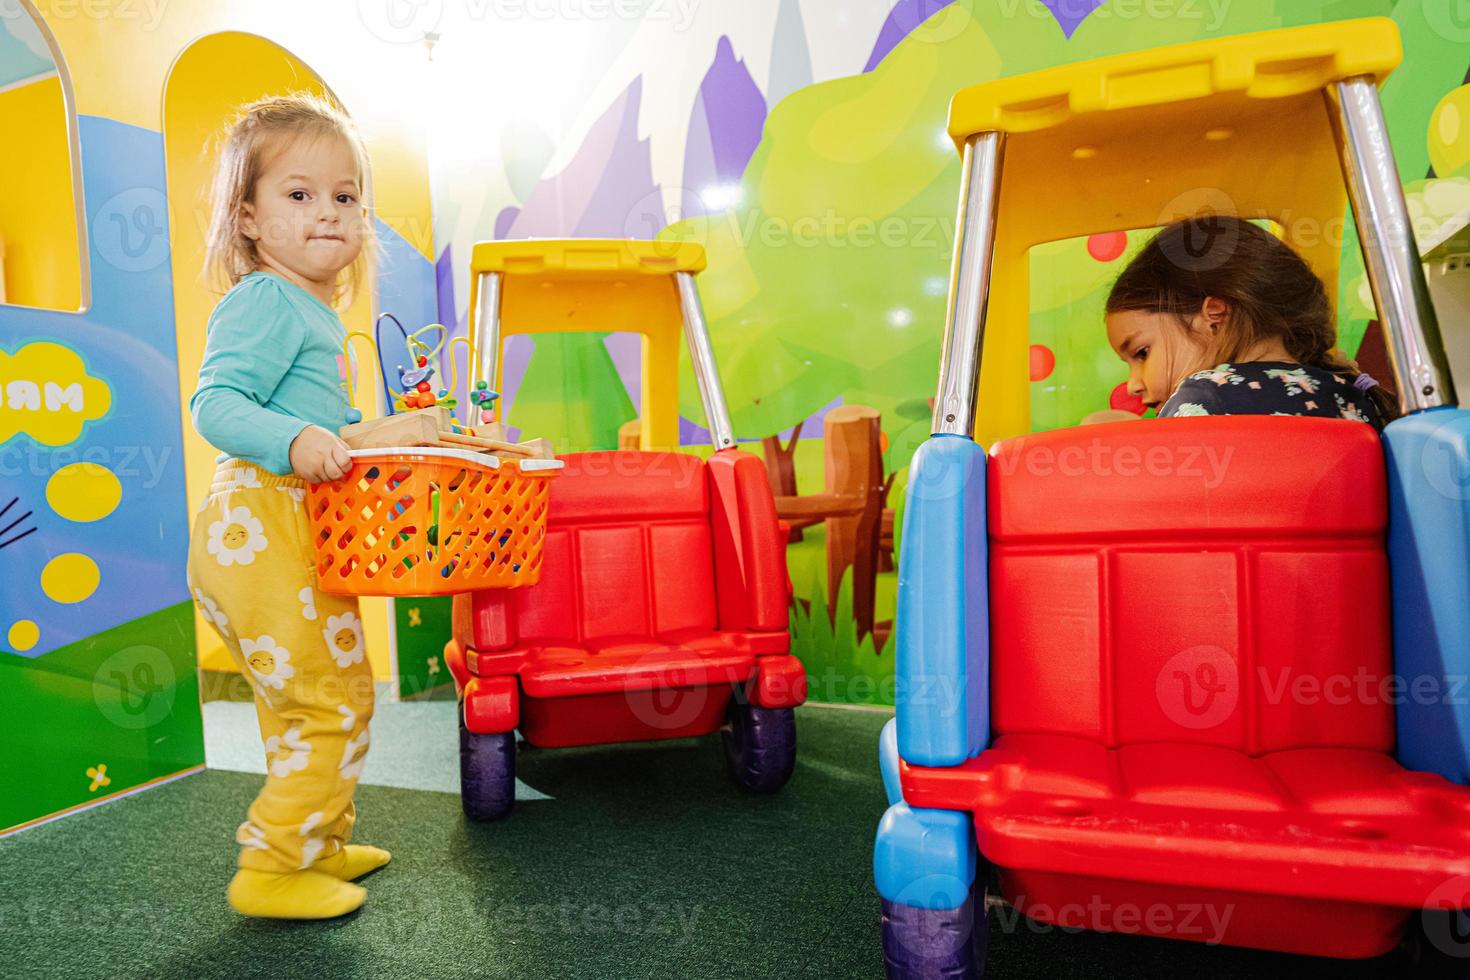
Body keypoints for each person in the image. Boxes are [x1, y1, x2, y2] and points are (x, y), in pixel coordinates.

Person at [187, 92, 387, 920]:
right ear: (248, 219)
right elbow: (217, 405)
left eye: (345, 197)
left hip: (290, 528)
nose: (329, 213)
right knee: (326, 698)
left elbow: (331, 434)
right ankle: (272, 868)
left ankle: (321, 842)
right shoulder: (266, 299)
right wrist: (302, 439)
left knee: (318, 694)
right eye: (299, 195)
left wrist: (381, 430)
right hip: (262, 528)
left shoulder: (309, 309)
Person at [1104, 216, 1395, 429]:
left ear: (1214, 317)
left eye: (1142, 353)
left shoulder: (1203, 398)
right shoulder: (1354, 395)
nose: (1133, 386)